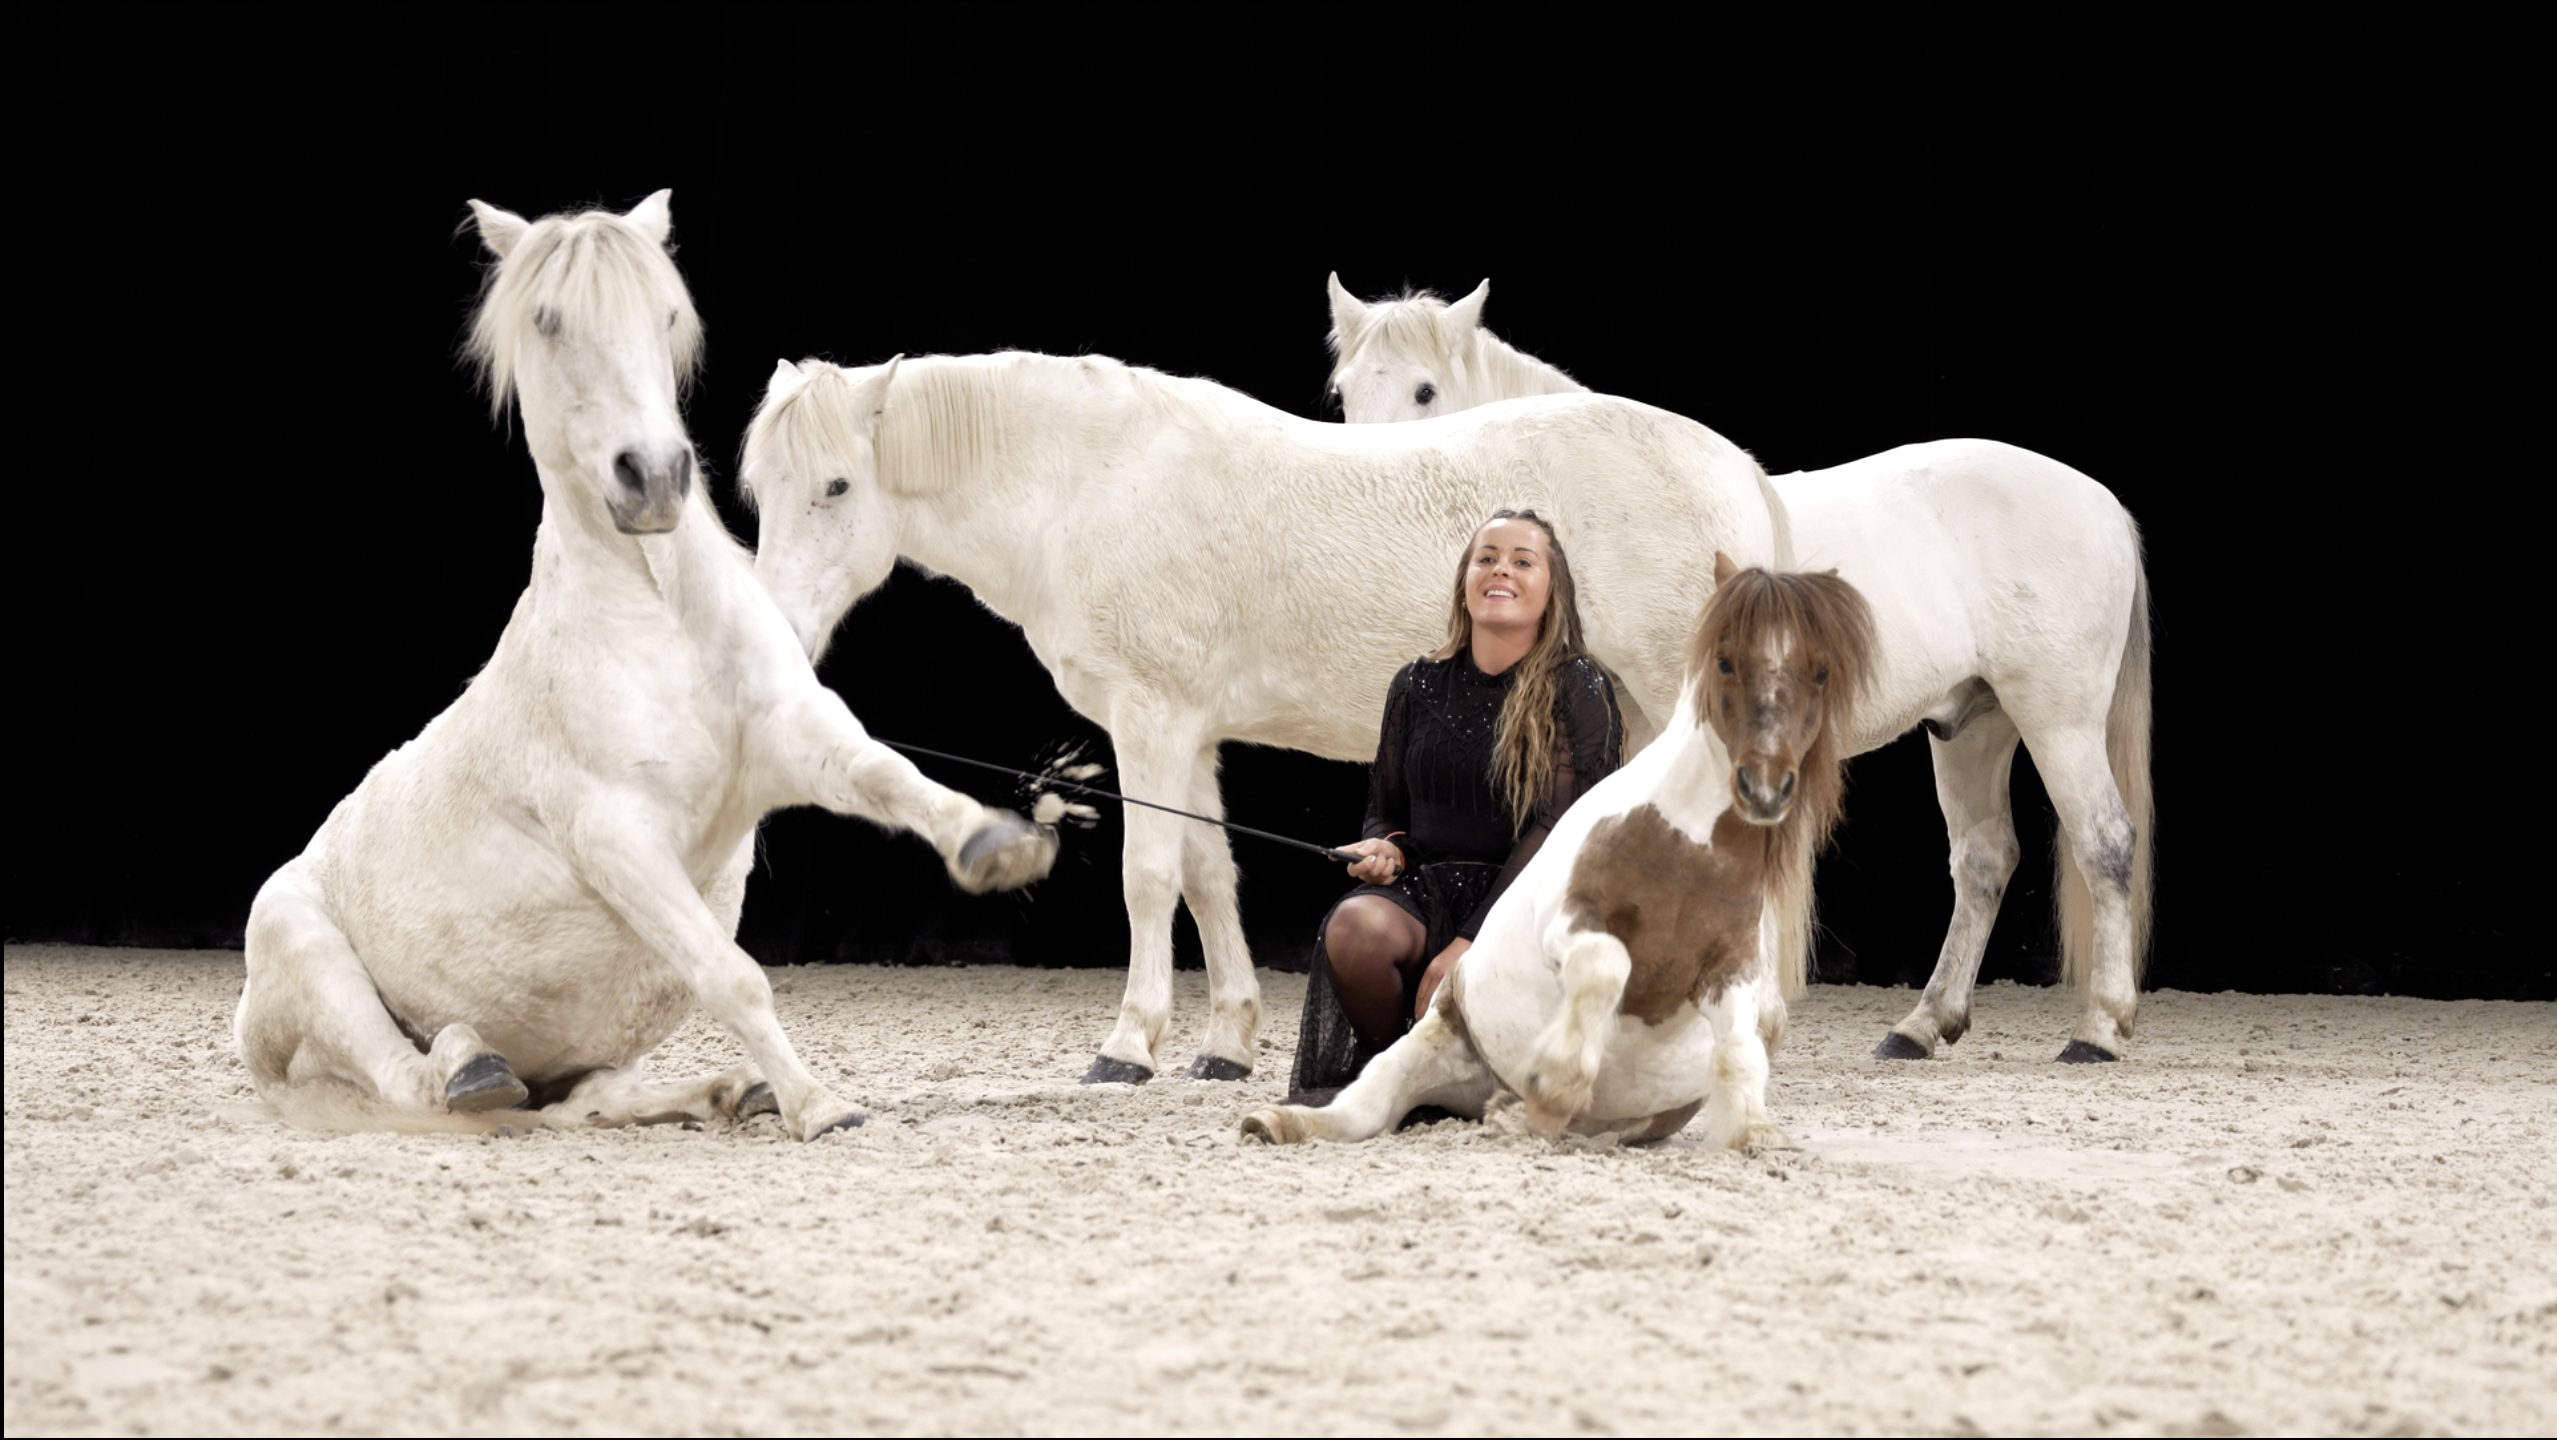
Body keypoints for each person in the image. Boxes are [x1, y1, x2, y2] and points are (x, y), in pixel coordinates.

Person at [1291, 508, 1622, 1099]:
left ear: (1553, 590)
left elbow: (1559, 830)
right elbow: (1387, 809)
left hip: (1529, 903)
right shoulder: (1415, 684)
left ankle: (1460, 1073)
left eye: (1523, 561)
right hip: (1429, 896)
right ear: (1465, 581)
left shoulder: (1578, 686)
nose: (1502, 570)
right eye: (1487, 557)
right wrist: (1384, 848)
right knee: (1355, 927)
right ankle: (1407, 1081)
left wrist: (1470, 943)